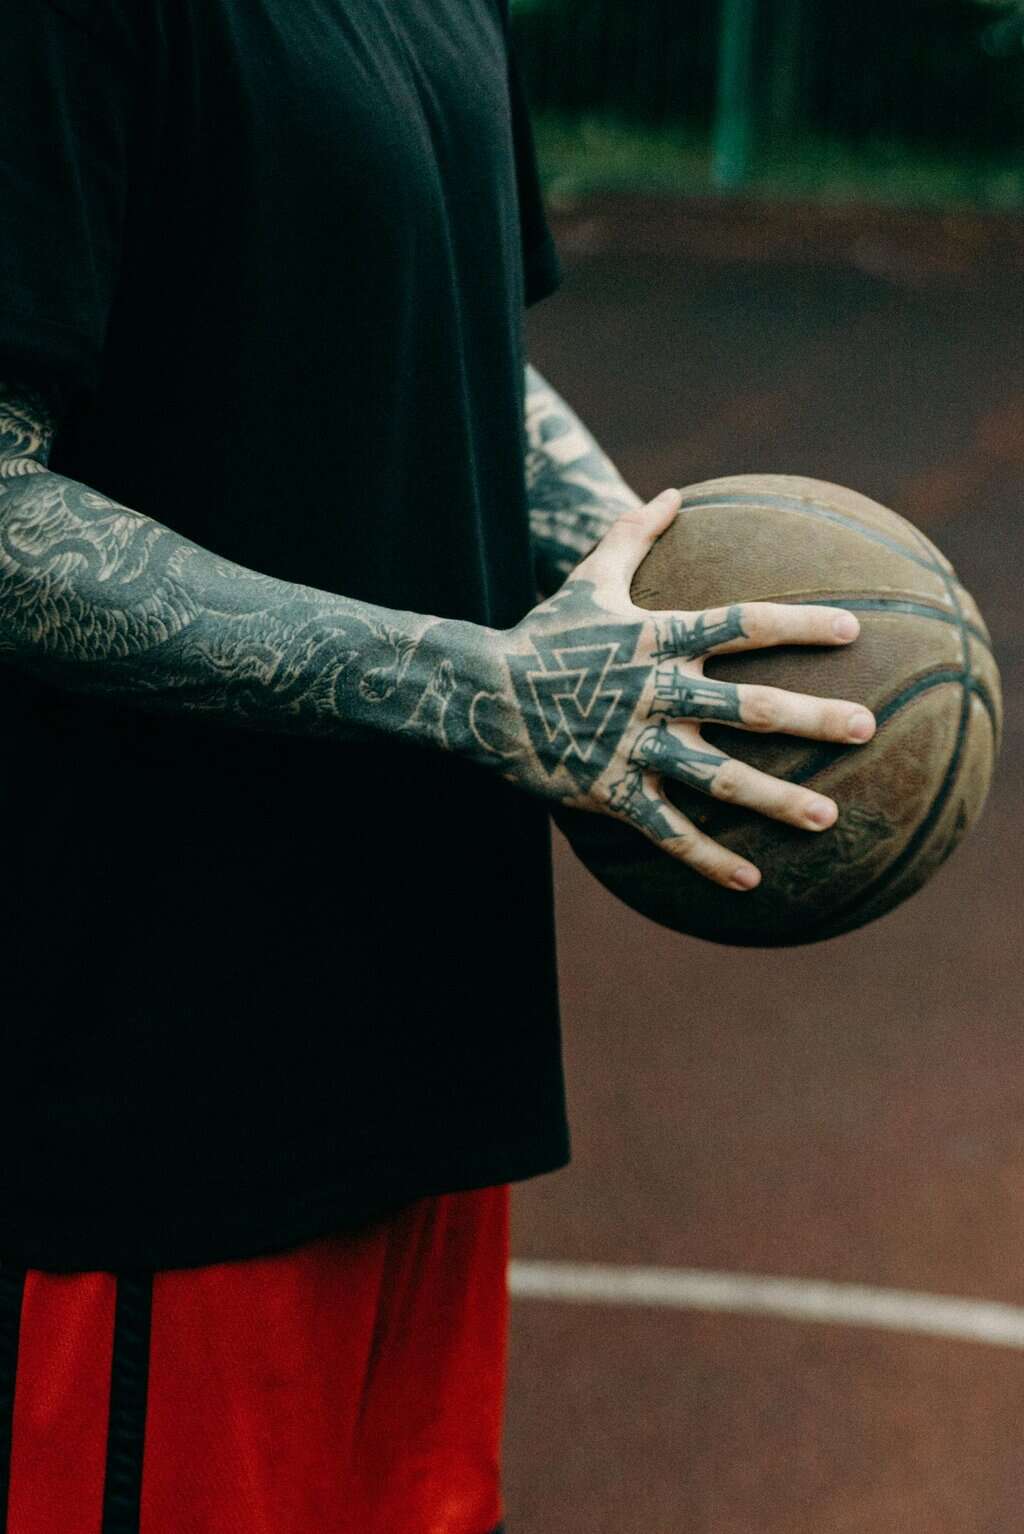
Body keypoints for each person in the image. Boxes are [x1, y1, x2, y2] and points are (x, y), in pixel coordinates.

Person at [0, 1, 876, 1529]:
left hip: (425, 1052)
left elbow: (452, 331)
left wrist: (660, 586)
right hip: (170, 1084)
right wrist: (480, 688)